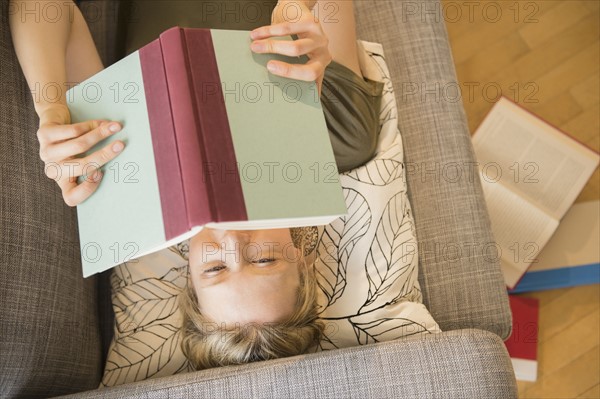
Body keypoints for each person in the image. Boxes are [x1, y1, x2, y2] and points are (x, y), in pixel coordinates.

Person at [9, 0, 383, 370]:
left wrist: (51, 108)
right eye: (264, 259)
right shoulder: (344, 138)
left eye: (215, 268)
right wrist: (298, 9)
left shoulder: (133, 175)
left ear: (188, 274)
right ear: (302, 261)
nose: (232, 239)